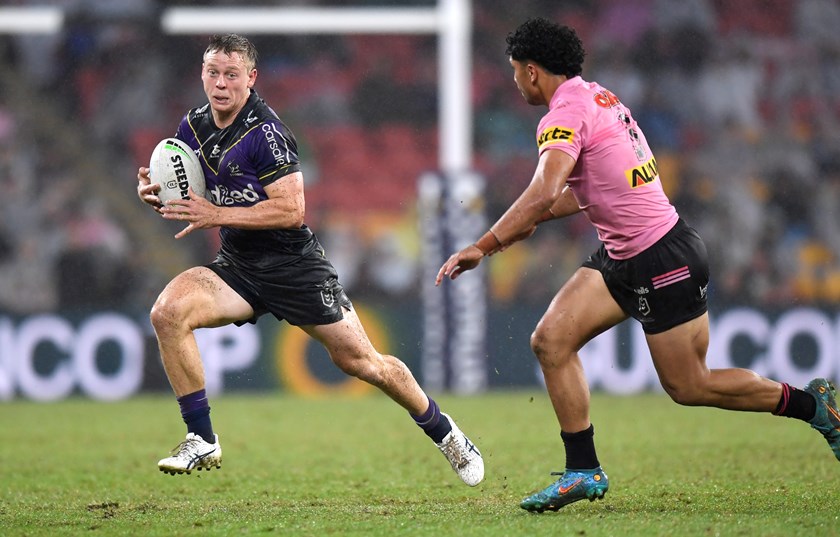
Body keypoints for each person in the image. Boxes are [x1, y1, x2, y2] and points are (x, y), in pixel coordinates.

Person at [436, 17, 840, 512]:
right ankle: (583, 470)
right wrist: (526, 223)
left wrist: (484, 244)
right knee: (551, 340)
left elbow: (544, 191)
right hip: (624, 254)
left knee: (689, 385)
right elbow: (590, 190)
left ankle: (813, 407)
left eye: (516, 70)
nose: (516, 80)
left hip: (661, 256)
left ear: (533, 71)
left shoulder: (564, 115)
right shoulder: (599, 97)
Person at [136, 33, 483, 487]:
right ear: (202, 75)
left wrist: (215, 214)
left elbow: (291, 209)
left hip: (294, 267)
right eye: (213, 73)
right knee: (167, 313)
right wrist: (156, 193)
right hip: (238, 265)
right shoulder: (193, 126)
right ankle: (201, 437)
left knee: (363, 363)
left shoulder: (267, 133)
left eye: (231, 74)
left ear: (251, 78)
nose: (220, 83)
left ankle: (445, 432)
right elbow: (187, 190)